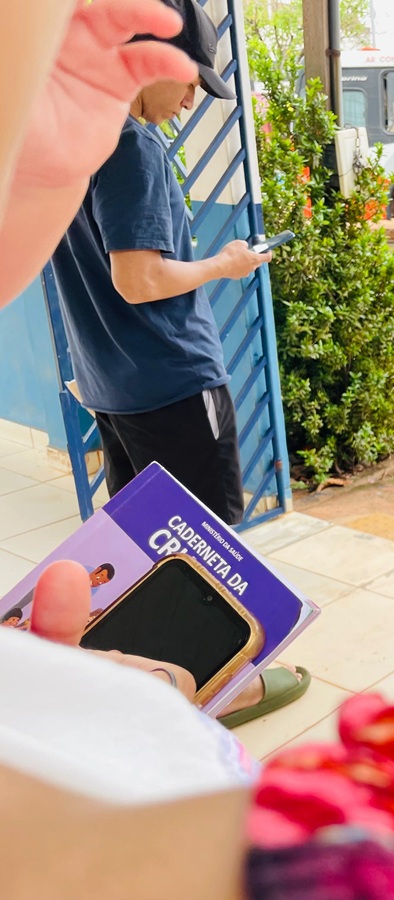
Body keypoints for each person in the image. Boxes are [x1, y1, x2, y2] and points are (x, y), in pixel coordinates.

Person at [49, 0, 269, 527]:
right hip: (174, 385)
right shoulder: (131, 144)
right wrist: (225, 264)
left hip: (114, 391)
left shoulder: (71, 137)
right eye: (190, 81)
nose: (190, 102)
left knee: (148, 557)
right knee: (213, 560)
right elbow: (139, 279)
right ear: (152, 59)